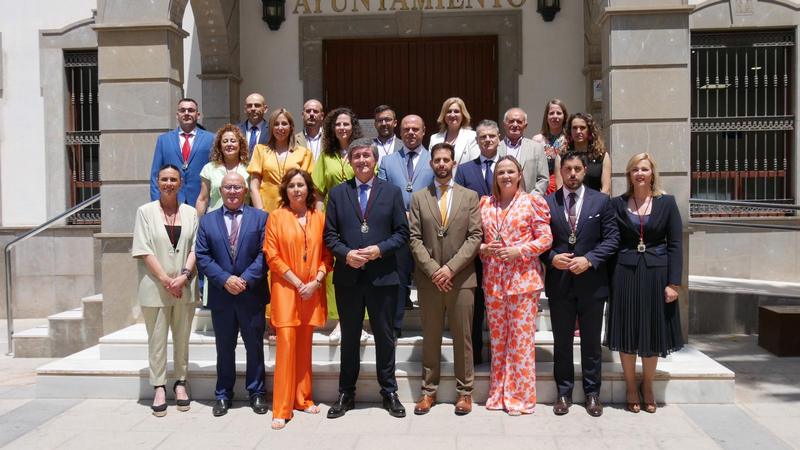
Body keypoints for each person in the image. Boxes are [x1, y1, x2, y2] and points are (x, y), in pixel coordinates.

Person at [323, 138, 409, 419]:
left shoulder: (392, 192)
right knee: (349, 337)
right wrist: (346, 254)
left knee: (385, 337)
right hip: (348, 277)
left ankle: (389, 391)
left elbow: (402, 233)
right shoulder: (338, 194)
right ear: (350, 161)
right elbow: (329, 235)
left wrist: (379, 250)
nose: (361, 161)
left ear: (375, 160)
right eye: (356, 156)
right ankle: (346, 393)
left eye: (366, 156)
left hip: (382, 276)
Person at [541, 151, 619, 417]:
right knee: (562, 341)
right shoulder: (547, 203)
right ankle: (563, 393)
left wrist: (590, 259)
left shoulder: (602, 201)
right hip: (560, 283)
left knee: (591, 343)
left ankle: (592, 394)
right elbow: (539, 240)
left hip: (592, 284)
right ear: (560, 172)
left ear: (585, 170)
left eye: (577, 168)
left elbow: (612, 239)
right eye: (568, 169)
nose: (572, 174)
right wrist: (552, 258)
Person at [606, 153, 683, 414]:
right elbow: (612, 241)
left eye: (644, 169)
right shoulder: (617, 204)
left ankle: (647, 385)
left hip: (657, 275)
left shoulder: (667, 203)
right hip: (624, 273)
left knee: (652, 330)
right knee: (627, 330)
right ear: (629, 175)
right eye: (635, 169)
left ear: (652, 173)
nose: (640, 173)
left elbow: (675, 244)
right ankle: (630, 386)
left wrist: (674, 283)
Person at [408, 143, 482, 416]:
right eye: (437, 160)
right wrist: (433, 270)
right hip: (429, 281)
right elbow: (414, 238)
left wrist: (450, 269)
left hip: (461, 279)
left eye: (445, 160)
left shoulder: (469, 196)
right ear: (431, 164)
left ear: (453, 163)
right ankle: (429, 391)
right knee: (431, 338)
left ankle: (465, 392)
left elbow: (475, 236)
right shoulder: (419, 198)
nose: (441, 164)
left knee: (463, 338)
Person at [478, 155, 552, 416]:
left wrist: (519, 251)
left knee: (520, 343)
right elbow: (474, 239)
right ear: (495, 177)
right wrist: (484, 248)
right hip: (493, 282)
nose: (506, 176)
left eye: (510, 171)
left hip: (523, 282)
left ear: (520, 175)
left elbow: (545, 239)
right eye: (501, 172)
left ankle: (520, 398)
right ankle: (499, 394)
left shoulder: (532, 202)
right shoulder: (485, 204)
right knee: (498, 342)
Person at [195, 172, 269, 418]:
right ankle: (223, 394)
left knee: (254, 347)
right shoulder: (207, 221)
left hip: (251, 294)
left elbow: (265, 253)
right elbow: (203, 256)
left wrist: (245, 279)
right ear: (220, 190)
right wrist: (225, 279)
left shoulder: (261, 218)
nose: (233, 192)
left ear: (245, 190)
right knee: (224, 348)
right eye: (228, 187)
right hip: (222, 296)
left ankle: (256, 392)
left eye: (237, 187)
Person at [264, 168, 332, 430]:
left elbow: (327, 256)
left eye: (301, 185)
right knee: (286, 346)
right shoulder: (276, 217)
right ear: (285, 190)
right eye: (291, 185)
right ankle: (281, 408)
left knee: (305, 346)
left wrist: (315, 282)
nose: (296, 190)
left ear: (309, 189)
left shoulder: (319, 218)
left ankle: (303, 398)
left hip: (311, 291)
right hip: (286, 291)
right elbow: (272, 255)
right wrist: (297, 282)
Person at [132, 164, 199, 417]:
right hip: (155, 288)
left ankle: (180, 383)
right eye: (164, 179)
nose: (169, 183)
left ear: (181, 183)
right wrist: (165, 280)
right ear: (157, 182)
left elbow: (195, 248)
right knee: (157, 340)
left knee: (182, 338)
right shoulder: (145, 212)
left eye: (173, 179)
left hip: (184, 287)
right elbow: (143, 249)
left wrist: (183, 277)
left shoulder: (191, 213)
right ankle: (159, 387)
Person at [378, 114, 434, 337]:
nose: (411, 132)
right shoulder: (388, 161)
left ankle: (431, 326)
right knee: (399, 278)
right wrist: (401, 214)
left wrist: (418, 214)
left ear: (423, 131)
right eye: (406, 129)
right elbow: (382, 193)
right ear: (400, 132)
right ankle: (395, 326)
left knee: (427, 276)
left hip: (427, 229)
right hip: (397, 228)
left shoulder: (434, 159)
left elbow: (439, 192)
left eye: (415, 129)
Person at [311, 107, 364, 340]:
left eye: (346, 123)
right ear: (332, 128)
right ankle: (340, 320)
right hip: (333, 216)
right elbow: (318, 192)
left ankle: (360, 321)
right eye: (338, 124)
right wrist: (320, 220)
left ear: (353, 127)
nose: (342, 128)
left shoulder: (361, 152)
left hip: (359, 215)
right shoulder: (326, 156)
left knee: (359, 265)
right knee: (335, 269)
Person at [453, 119, 502, 365]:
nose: (487, 140)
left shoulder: (508, 167)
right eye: (483, 136)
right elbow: (460, 209)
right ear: (477, 141)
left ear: (499, 138)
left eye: (491, 136)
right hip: (475, 247)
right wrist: (476, 243)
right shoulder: (464, 170)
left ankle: (500, 356)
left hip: (503, 250)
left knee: (501, 306)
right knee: (475, 304)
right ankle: (474, 357)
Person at [149, 98, 214, 206]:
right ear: (177, 115)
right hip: (171, 202)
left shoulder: (211, 139)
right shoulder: (164, 140)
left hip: (201, 202)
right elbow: (155, 175)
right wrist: (156, 205)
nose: (186, 113)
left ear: (198, 115)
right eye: (183, 110)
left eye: (191, 110)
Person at [248, 108, 314, 212]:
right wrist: (260, 211)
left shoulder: (304, 153)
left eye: (284, 124)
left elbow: (307, 187)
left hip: (294, 212)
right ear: (271, 127)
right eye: (276, 124)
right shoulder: (260, 151)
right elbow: (253, 186)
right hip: (267, 210)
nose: (280, 127)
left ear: (291, 127)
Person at [195, 124, 250, 216]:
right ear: (220, 146)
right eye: (225, 141)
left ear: (240, 144)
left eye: (233, 141)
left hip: (243, 219)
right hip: (215, 219)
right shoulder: (209, 168)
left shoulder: (250, 168)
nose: (229, 144)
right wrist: (198, 221)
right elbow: (203, 199)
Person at [555, 113, 611, 195]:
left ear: (589, 130)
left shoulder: (602, 156)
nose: (578, 131)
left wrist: (598, 202)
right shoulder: (561, 157)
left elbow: (606, 188)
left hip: (595, 202)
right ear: (570, 131)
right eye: (574, 128)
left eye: (582, 128)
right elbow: (559, 187)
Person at [498, 107, 549, 195]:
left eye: (519, 122)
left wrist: (530, 198)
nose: (515, 124)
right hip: (502, 200)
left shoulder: (536, 148)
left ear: (525, 125)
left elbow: (543, 179)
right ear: (504, 124)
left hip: (529, 199)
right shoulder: (497, 148)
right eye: (511, 121)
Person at [532, 99, 569, 195]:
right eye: (551, 113)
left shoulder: (569, 139)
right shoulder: (537, 140)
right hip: (543, 189)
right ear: (546, 116)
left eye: (559, 113)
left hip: (566, 187)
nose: (555, 116)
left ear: (564, 116)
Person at [428, 97, 479, 167]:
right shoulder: (434, 138)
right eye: (449, 111)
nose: (452, 115)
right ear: (444, 115)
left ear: (463, 115)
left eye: (456, 111)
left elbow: (474, 165)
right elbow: (431, 165)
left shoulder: (472, 136)